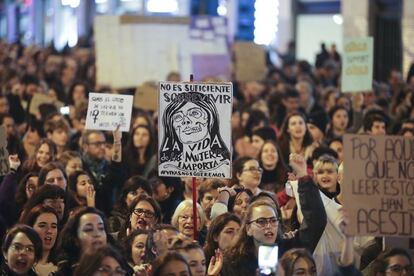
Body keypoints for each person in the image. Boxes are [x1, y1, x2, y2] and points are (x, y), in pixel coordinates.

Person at [159, 92, 230, 177]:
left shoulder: (225, 166)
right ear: (172, 126)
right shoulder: (167, 168)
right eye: (178, 117)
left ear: (210, 118)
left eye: (194, 113)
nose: (186, 120)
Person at [55, 207, 113, 275]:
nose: (97, 234)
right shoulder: (65, 273)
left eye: (101, 228)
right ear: (75, 239)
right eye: (89, 229)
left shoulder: (119, 270)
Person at [80, 128, 123, 216]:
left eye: (104, 143)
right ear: (85, 146)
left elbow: (116, 169)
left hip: (107, 216)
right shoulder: (81, 166)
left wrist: (117, 141)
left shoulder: (107, 166)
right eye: (97, 144)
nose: (102, 147)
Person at [20, 205, 59, 276]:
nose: (49, 231)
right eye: (42, 225)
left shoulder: (63, 268)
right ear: (30, 228)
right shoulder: (20, 265)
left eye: (53, 226)